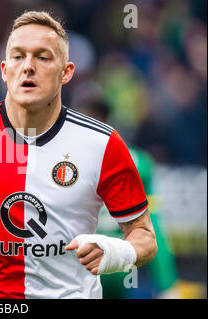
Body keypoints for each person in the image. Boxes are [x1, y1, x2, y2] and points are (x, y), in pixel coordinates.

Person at [0, 11, 157, 299]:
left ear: (66, 72)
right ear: (4, 70)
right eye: (18, 56)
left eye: (42, 57)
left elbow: (145, 236)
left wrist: (118, 251)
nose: (28, 66)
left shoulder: (102, 143)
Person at [78, 97, 181, 299]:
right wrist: (167, 284)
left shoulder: (65, 162)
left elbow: (152, 227)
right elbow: (153, 228)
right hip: (119, 265)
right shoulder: (138, 161)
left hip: (83, 263)